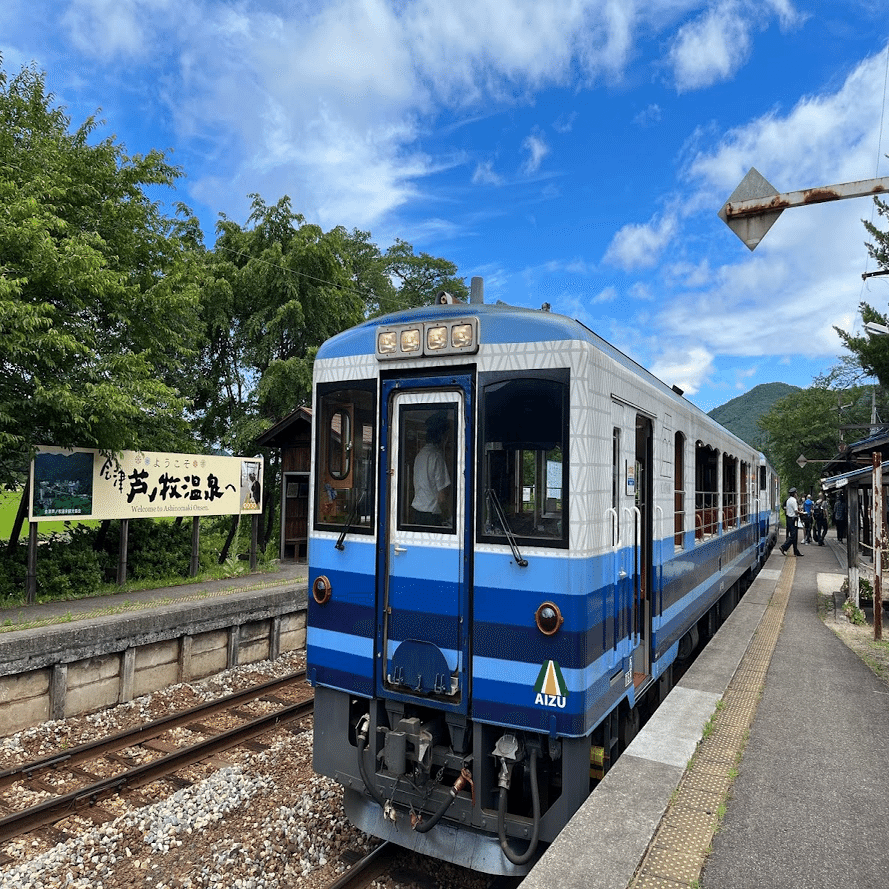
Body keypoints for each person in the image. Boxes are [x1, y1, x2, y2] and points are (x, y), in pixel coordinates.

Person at [411, 411, 452, 526]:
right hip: (431, 516)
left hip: (418, 513)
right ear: (442, 436)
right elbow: (442, 497)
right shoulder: (436, 456)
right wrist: (449, 516)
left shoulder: (420, 455)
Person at [779, 487, 803, 556]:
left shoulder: (788, 500)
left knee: (793, 535)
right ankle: (783, 547)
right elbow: (796, 511)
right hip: (793, 519)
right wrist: (801, 513)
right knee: (793, 535)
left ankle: (796, 551)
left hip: (788, 519)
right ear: (794, 494)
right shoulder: (794, 501)